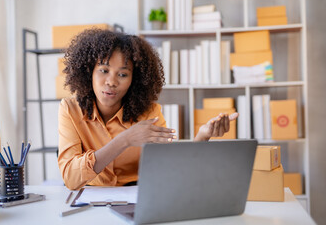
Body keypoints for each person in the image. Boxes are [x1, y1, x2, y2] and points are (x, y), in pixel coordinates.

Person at [57, 29, 238, 190]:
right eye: (104, 70)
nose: (111, 82)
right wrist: (125, 139)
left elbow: (172, 170)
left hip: (137, 196)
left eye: (122, 74)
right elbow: (71, 179)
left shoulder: (148, 113)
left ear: (133, 80)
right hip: (89, 199)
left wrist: (202, 136)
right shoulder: (70, 110)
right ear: (89, 71)